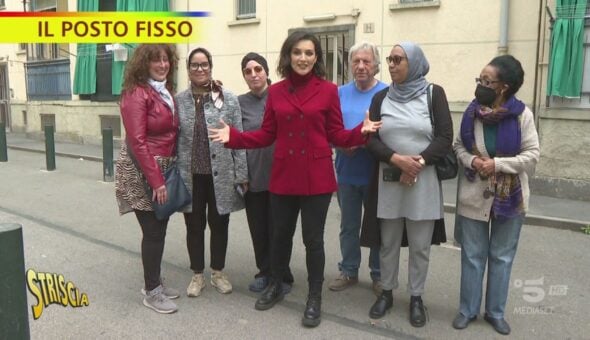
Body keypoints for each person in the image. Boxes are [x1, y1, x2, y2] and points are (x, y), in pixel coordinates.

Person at [208, 31, 382, 328]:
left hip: (317, 179)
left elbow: (336, 135)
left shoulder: (328, 90)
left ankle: (314, 297)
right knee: (280, 236)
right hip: (284, 176)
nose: (303, 58)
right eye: (298, 52)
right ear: (288, 56)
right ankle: (276, 283)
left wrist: (360, 133)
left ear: (316, 58)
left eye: (309, 53)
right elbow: (266, 134)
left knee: (313, 240)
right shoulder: (277, 92)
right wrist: (234, 138)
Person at [361, 42, 452, 327]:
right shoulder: (381, 97)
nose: (391, 64)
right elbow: (371, 139)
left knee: (420, 245)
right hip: (389, 182)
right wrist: (397, 160)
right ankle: (387, 293)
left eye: (398, 59)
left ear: (414, 62)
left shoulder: (433, 94)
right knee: (388, 243)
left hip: (422, 183)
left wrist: (417, 164)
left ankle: (416, 298)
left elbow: (445, 137)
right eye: (389, 59)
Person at [452, 55, 539, 336]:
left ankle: (496, 313)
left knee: (501, 256)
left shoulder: (521, 115)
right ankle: (467, 310)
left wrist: (498, 164)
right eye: (479, 79)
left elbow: (532, 156)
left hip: (510, 198)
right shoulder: (472, 112)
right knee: (472, 255)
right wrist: (473, 162)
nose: (480, 86)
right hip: (474, 194)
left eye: (487, 81)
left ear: (504, 87)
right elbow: (458, 147)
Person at [175, 47, 248, 298]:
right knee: (193, 225)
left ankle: (218, 272)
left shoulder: (227, 97)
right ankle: (197, 275)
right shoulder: (180, 100)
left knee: (220, 223)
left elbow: (237, 137)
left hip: (222, 174)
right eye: (194, 65)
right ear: (188, 69)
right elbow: (174, 139)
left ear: (211, 66)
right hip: (190, 176)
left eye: (204, 64)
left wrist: (242, 174)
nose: (199, 69)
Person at [115, 44, 180, 314]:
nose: (163, 64)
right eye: (156, 60)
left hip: (160, 167)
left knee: (159, 228)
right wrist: (157, 181)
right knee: (153, 231)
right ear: (144, 64)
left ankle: (154, 282)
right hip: (142, 169)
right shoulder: (136, 93)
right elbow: (138, 141)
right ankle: (151, 291)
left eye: (166, 60)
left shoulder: (162, 91)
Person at [328, 41, 388, 295]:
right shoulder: (339, 93)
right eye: (356, 61)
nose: (361, 66)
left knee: (377, 226)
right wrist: (340, 144)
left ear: (375, 65)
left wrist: (364, 143)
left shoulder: (387, 93)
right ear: (349, 64)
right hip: (346, 172)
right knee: (349, 226)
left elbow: (393, 131)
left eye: (366, 61)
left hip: (377, 174)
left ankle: (378, 274)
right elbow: (328, 128)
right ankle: (349, 270)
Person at [238, 52, 294, 294]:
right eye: (248, 71)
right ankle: (264, 270)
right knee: (259, 229)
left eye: (258, 69)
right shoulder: (239, 103)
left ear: (267, 71)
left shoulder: (283, 95)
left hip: (282, 176)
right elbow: (237, 141)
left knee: (280, 229)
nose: (254, 74)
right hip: (254, 177)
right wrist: (242, 175)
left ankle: (281, 274)